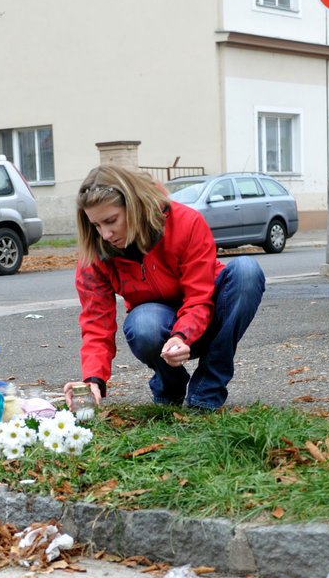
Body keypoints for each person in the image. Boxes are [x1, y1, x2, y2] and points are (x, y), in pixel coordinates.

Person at [65, 165, 265, 412]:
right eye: (96, 225)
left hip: (207, 316)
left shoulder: (186, 222)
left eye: (111, 220)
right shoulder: (94, 253)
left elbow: (199, 297)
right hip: (158, 329)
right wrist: (93, 379)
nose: (105, 234)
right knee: (143, 324)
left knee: (247, 271)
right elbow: (96, 324)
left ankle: (207, 391)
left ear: (135, 205)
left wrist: (181, 335)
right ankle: (170, 386)